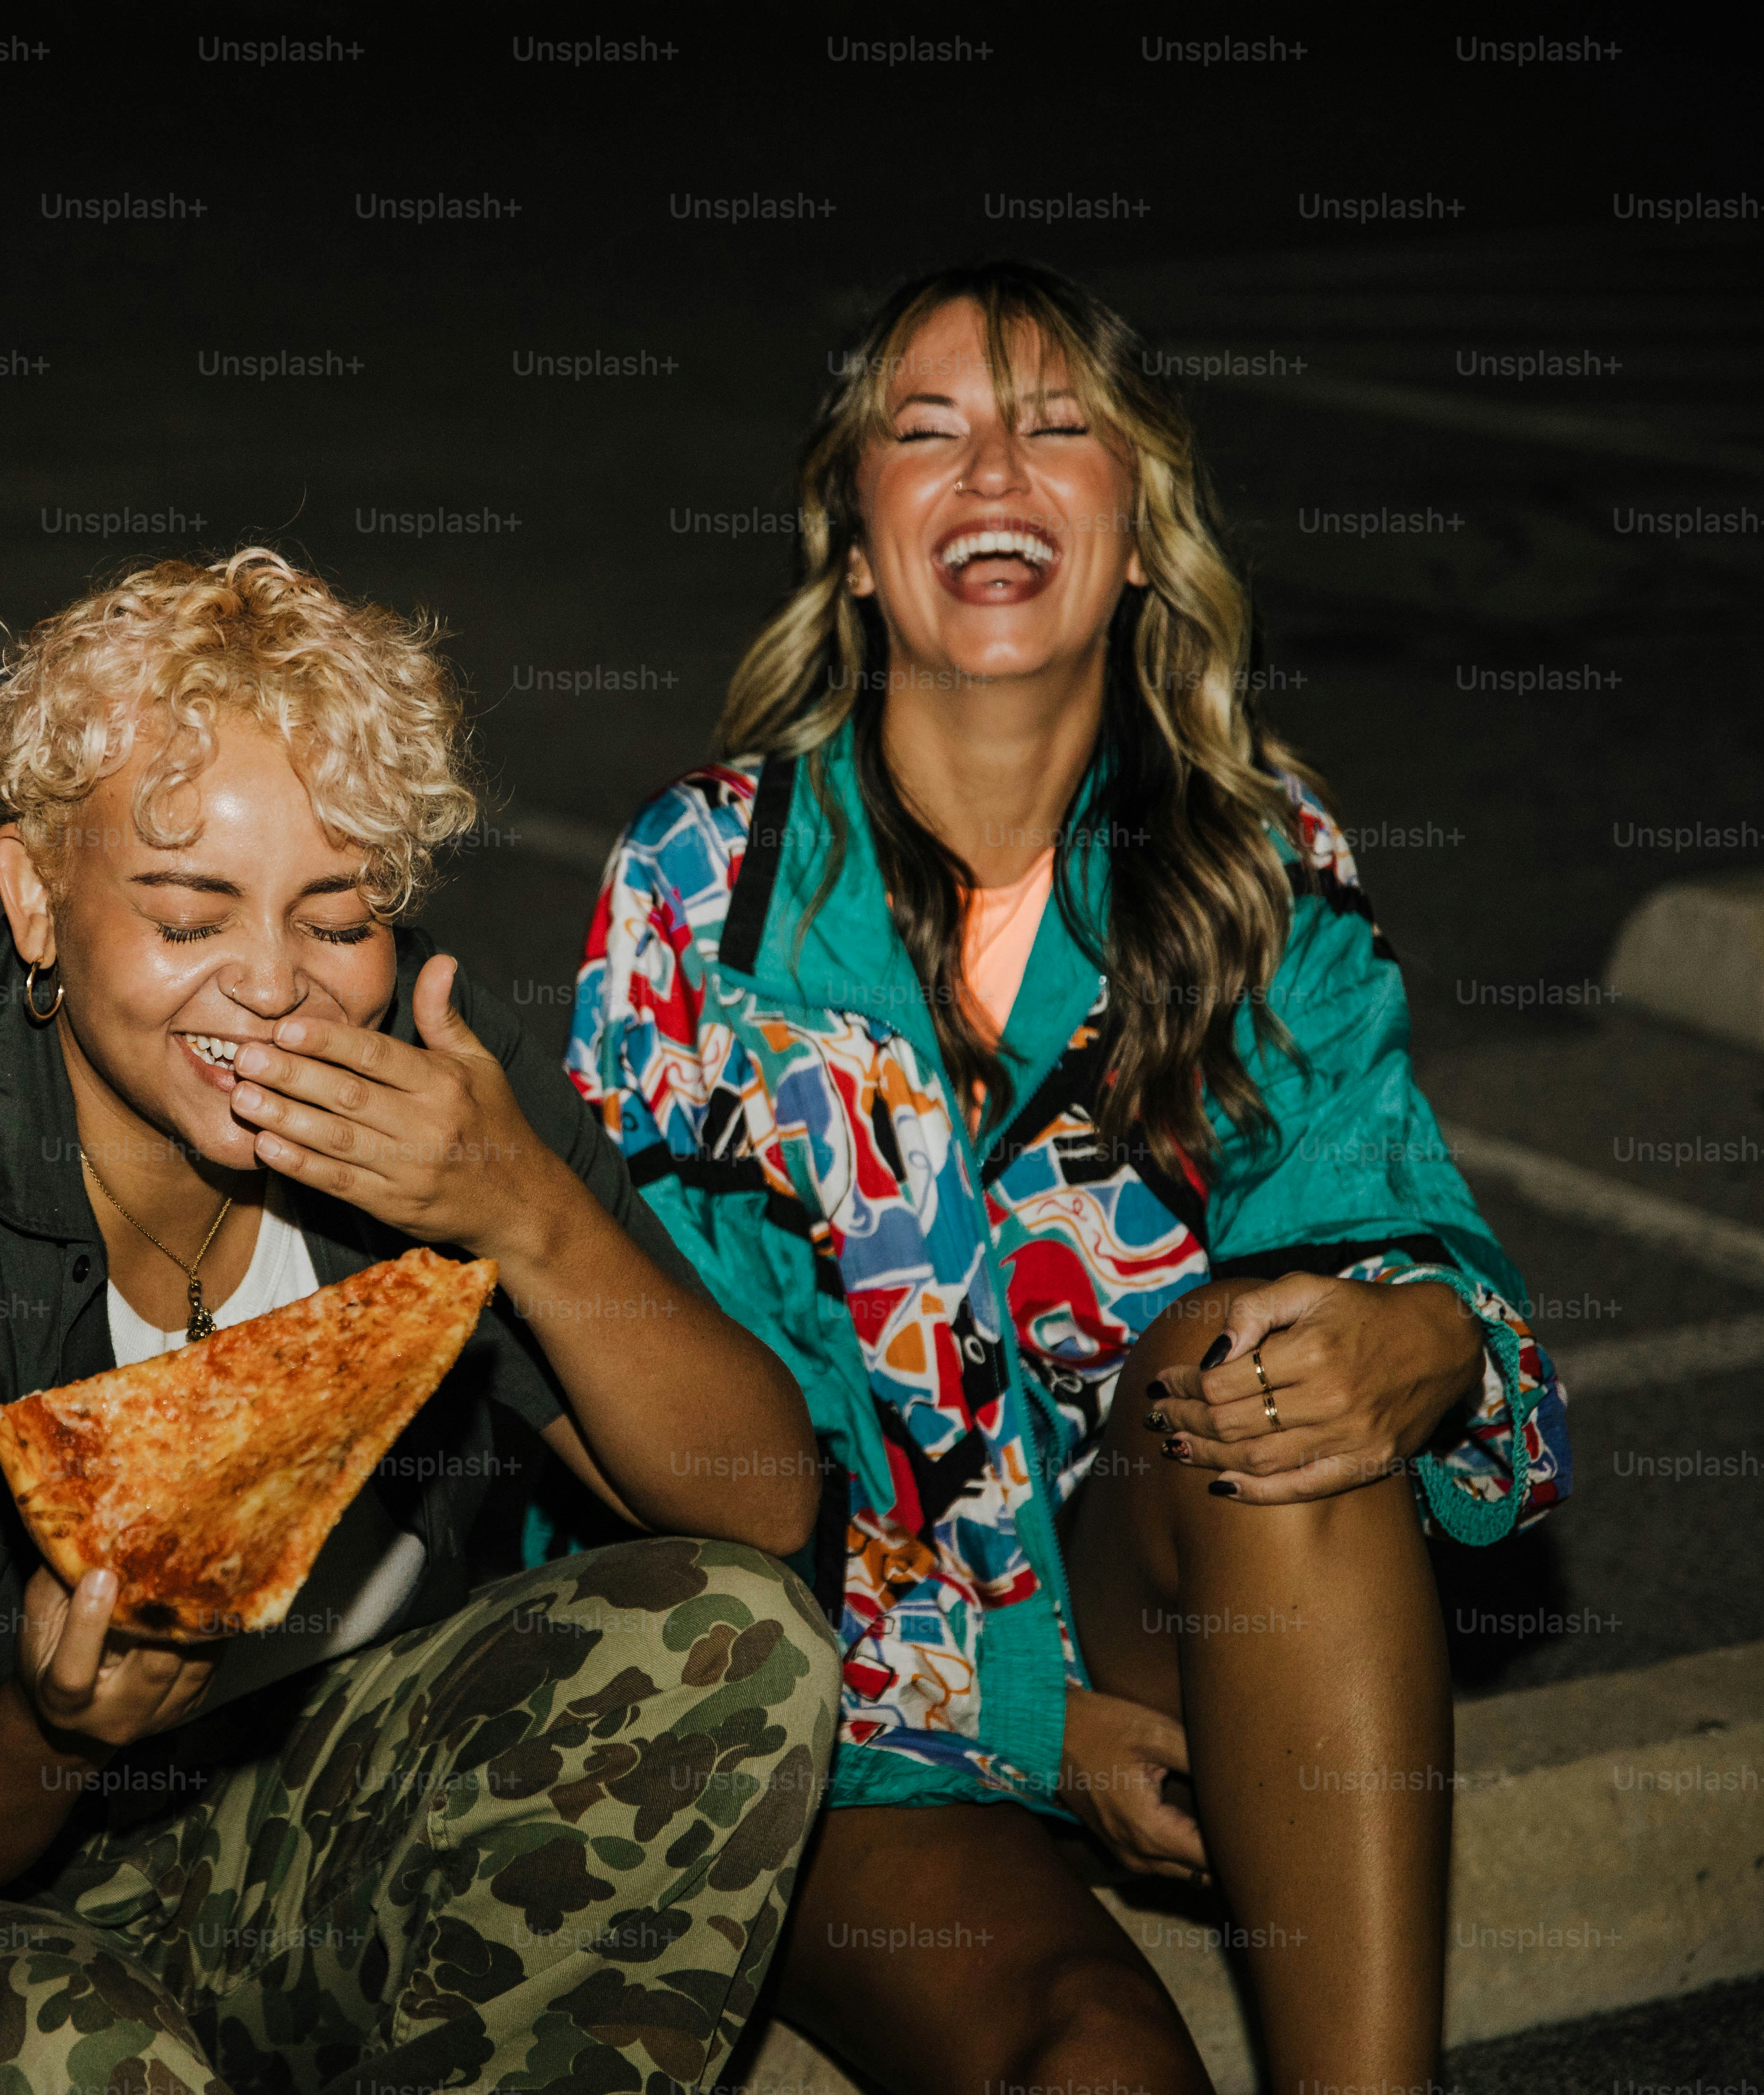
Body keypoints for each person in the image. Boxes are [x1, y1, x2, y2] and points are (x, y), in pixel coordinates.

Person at [0, 549, 838, 2095]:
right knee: (61, 2051)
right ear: (36, 899)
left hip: (234, 1818)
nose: (271, 990)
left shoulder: (421, 1086)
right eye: (188, 918)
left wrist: (527, 1209)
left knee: (719, 1644)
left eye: (336, 915)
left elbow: (759, 1507)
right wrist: (52, 1730)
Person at [557, 263, 1571, 2092]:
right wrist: (1035, 1730)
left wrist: (1429, 1345)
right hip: (829, 1710)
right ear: (857, 548)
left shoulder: (1262, 857)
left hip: (1149, 1595)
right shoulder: (698, 890)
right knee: (1093, 2069)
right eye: (926, 432)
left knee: (1278, 1363)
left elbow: (1401, 1232)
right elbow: (672, 1495)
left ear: (1134, 534)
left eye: (1055, 428)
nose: (993, 471)